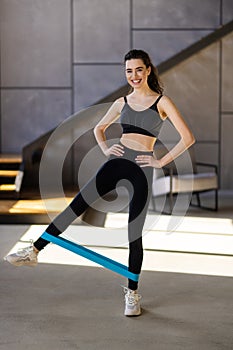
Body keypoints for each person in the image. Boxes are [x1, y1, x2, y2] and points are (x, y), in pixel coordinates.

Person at [5, 49, 195, 316]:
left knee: (134, 233)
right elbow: (99, 128)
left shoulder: (162, 102)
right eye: (129, 71)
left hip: (141, 168)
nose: (134, 76)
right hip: (116, 163)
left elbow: (188, 137)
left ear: (148, 70)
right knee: (76, 205)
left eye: (139, 70)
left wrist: (161, 162)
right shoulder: (121, 102)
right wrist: (106, 148)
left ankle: (132, 293)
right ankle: (34, 250)